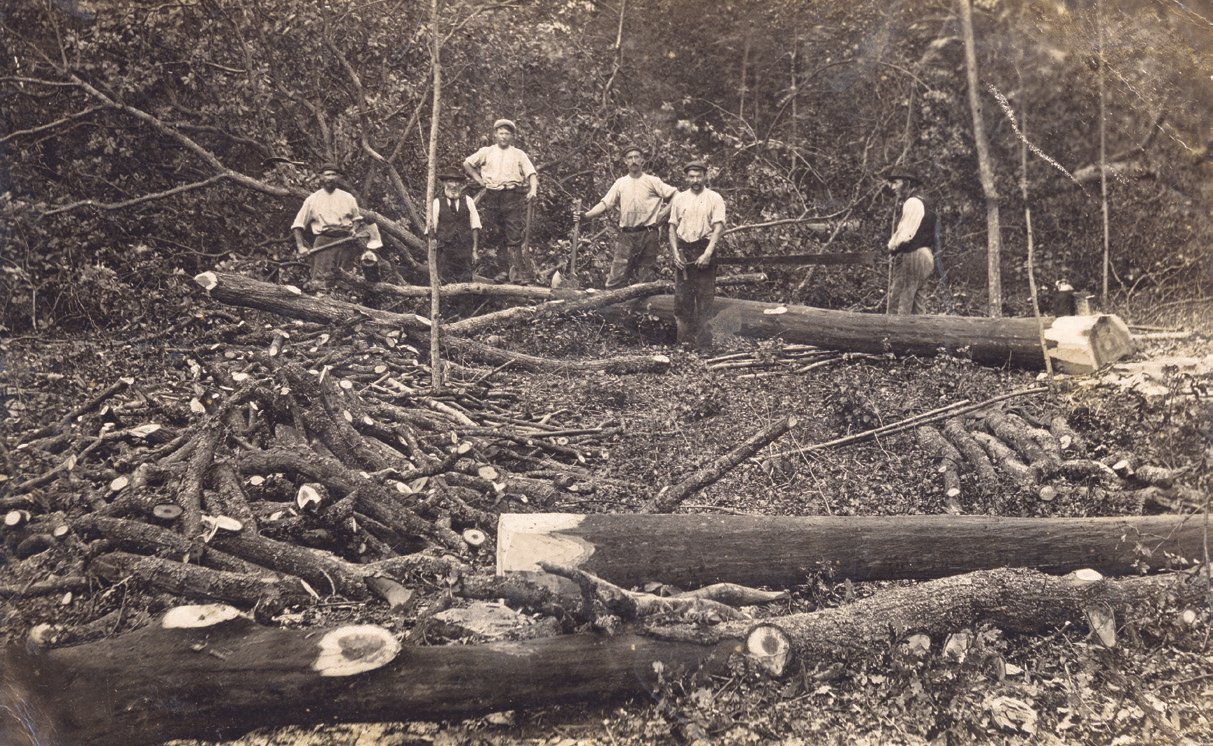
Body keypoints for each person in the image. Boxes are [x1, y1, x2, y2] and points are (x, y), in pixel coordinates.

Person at [577, 144, 677, 289]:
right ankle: (611, 309)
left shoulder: (652, 181)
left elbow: (676, 195)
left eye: (637, 157)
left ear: (642, 160)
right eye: (630, 158)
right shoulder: (621, 183)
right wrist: (586, 215)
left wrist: (664, 213)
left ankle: (646, 310)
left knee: (646, 278)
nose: (633, 160)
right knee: (615, 278)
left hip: (649, 234)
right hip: (627, 235)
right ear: (625, 161)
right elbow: (605, 203)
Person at [463, 118, 538, 283]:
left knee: (514, 234)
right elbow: (467, 163)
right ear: (495, 134)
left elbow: (531, 174)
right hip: (492, 196)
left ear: (512, 136)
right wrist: (479, 180)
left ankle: (517, 273)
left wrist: (533, 189)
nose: (504, 136)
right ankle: (502, 272)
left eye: (507, 133)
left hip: (512, 195)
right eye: (501, 133)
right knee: (497, 233)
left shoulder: (519, 154)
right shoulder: (487, 151)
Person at [667, 160, 726, 349]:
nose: (695, 180)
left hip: (704, 248)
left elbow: (718, 228)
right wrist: (675, 253)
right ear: (686, 178)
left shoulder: (714, 198)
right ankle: (685, 344)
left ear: (705, 176)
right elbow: (672, 227)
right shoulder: (679, 198)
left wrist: (708, 253)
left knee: (704, 300)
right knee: (682, 300)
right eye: (691, 176)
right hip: (684, 251)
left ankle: (705, 347)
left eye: (699, 176)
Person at [292, 163, 367, 286]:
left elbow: (357, 219)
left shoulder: (348, 198)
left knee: (346, 281)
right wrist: (301, 247)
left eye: (333, 175)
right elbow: (297, 225)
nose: (330, 178)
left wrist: (354, 229)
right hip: (324, 242)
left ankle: (345, 303)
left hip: (345, 242)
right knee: (320, 281)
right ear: (321, 177)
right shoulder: (312, 199)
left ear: (338, 177)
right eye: (327, 175)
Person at [885, 173, 937, 315]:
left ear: (907, 183)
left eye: (895, 182)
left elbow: (905, 235)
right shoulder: (924, 202)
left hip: (912, 254)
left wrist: (892, 247)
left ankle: (895, 335)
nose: (892, 187)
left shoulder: (912, 203)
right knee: (917, 305)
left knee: (900, 301)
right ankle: (918, 335)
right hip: (925, 255)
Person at [429, 170, 481, 284]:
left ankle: (464, 302)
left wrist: (474, 251)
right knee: (445, 282)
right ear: (444, 184)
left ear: (461, 185)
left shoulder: (468, 201)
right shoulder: (437, 203)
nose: (454, 185)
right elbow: (431, 231)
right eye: (450, 181)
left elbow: (475, 226)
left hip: (464, 250)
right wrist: (433, 254)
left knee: (466, 281)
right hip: (445, 251)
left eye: (457, 182)